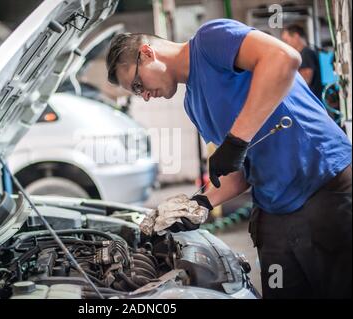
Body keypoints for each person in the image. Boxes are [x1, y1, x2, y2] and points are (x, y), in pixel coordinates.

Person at [105, 19, 352, 299]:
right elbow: (236, 169)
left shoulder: (211, 41)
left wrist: (236, 140)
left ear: (148, 53)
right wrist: (199, 204)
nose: (145, 96)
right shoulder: (193, 104)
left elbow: (284, 58)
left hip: (322, 186)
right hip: (273, 207)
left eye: (138, 85)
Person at [281, 24, 323, 99]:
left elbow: (306, 80)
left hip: (310, 101)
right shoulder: (302, 54)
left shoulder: (306, 53)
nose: (286, 44)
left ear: (296, 36)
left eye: (286, 40)